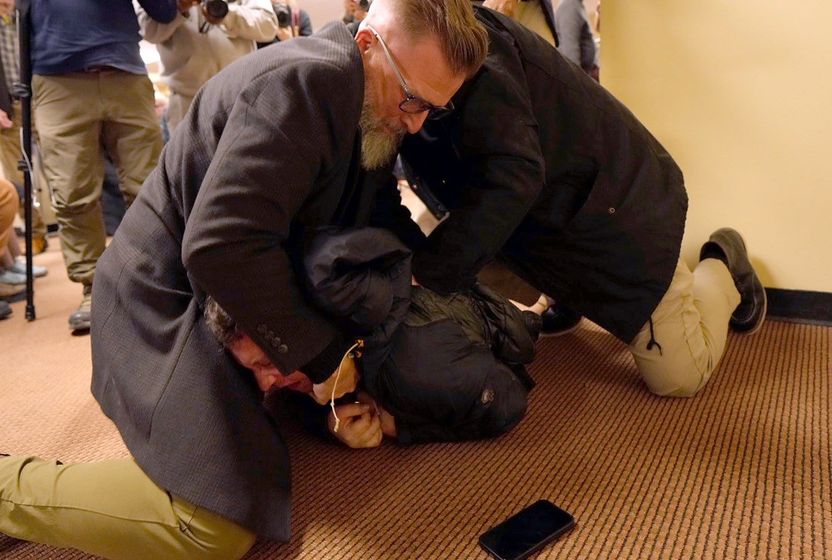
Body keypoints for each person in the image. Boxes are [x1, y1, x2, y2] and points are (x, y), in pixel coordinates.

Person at [0, 0, 488, 557]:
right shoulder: (304, 83)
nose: (415, 121)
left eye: (433, 109)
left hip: (232, 293)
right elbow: (220, 249)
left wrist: (435, 279)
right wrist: (326, 360)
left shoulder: (372, 97)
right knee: (212, 527)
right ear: (368, 44)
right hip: (164, 299)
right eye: (413, 100)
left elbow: (376, 211)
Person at [389, 6, 767, 401]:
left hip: (622, 210)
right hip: (557, 211)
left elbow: (510, 181)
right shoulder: (398, 45)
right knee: (465, 248)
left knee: (679, 375)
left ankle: (723, 262)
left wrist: (425, 274)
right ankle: (566, 294)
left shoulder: (468, 47)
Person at [295, 227, 538, 447]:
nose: (268, 381)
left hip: (465, 329)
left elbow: (508, 405)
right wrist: (327, 422)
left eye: (266, 365)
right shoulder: (291, 345)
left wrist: (404, 428)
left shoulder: (414, 367)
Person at [31, 0, 173, 332]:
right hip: (56, 79)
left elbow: (164, 11)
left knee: (149, 187)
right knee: (72, 192)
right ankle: (94, 289)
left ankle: (156, 280)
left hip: (125, 72)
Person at [136, 0, 278, 132]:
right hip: (187, 100)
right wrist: (178, 7)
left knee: (252, 156)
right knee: (191, 158)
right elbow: (148, 31)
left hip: (242, 94)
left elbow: (269, 26)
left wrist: (227, 15)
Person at [0, 0, 50, 254]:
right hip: (9, 107)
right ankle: (36, 234)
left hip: (46, 97)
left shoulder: (30, 9)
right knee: (17, 178)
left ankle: (75, 234)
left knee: (62, 168)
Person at [554, 0, 598, 79]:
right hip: (578, 79)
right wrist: (578, 82)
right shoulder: (570, 7)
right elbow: (570, 51)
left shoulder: (576, 5)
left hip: (586, 74)